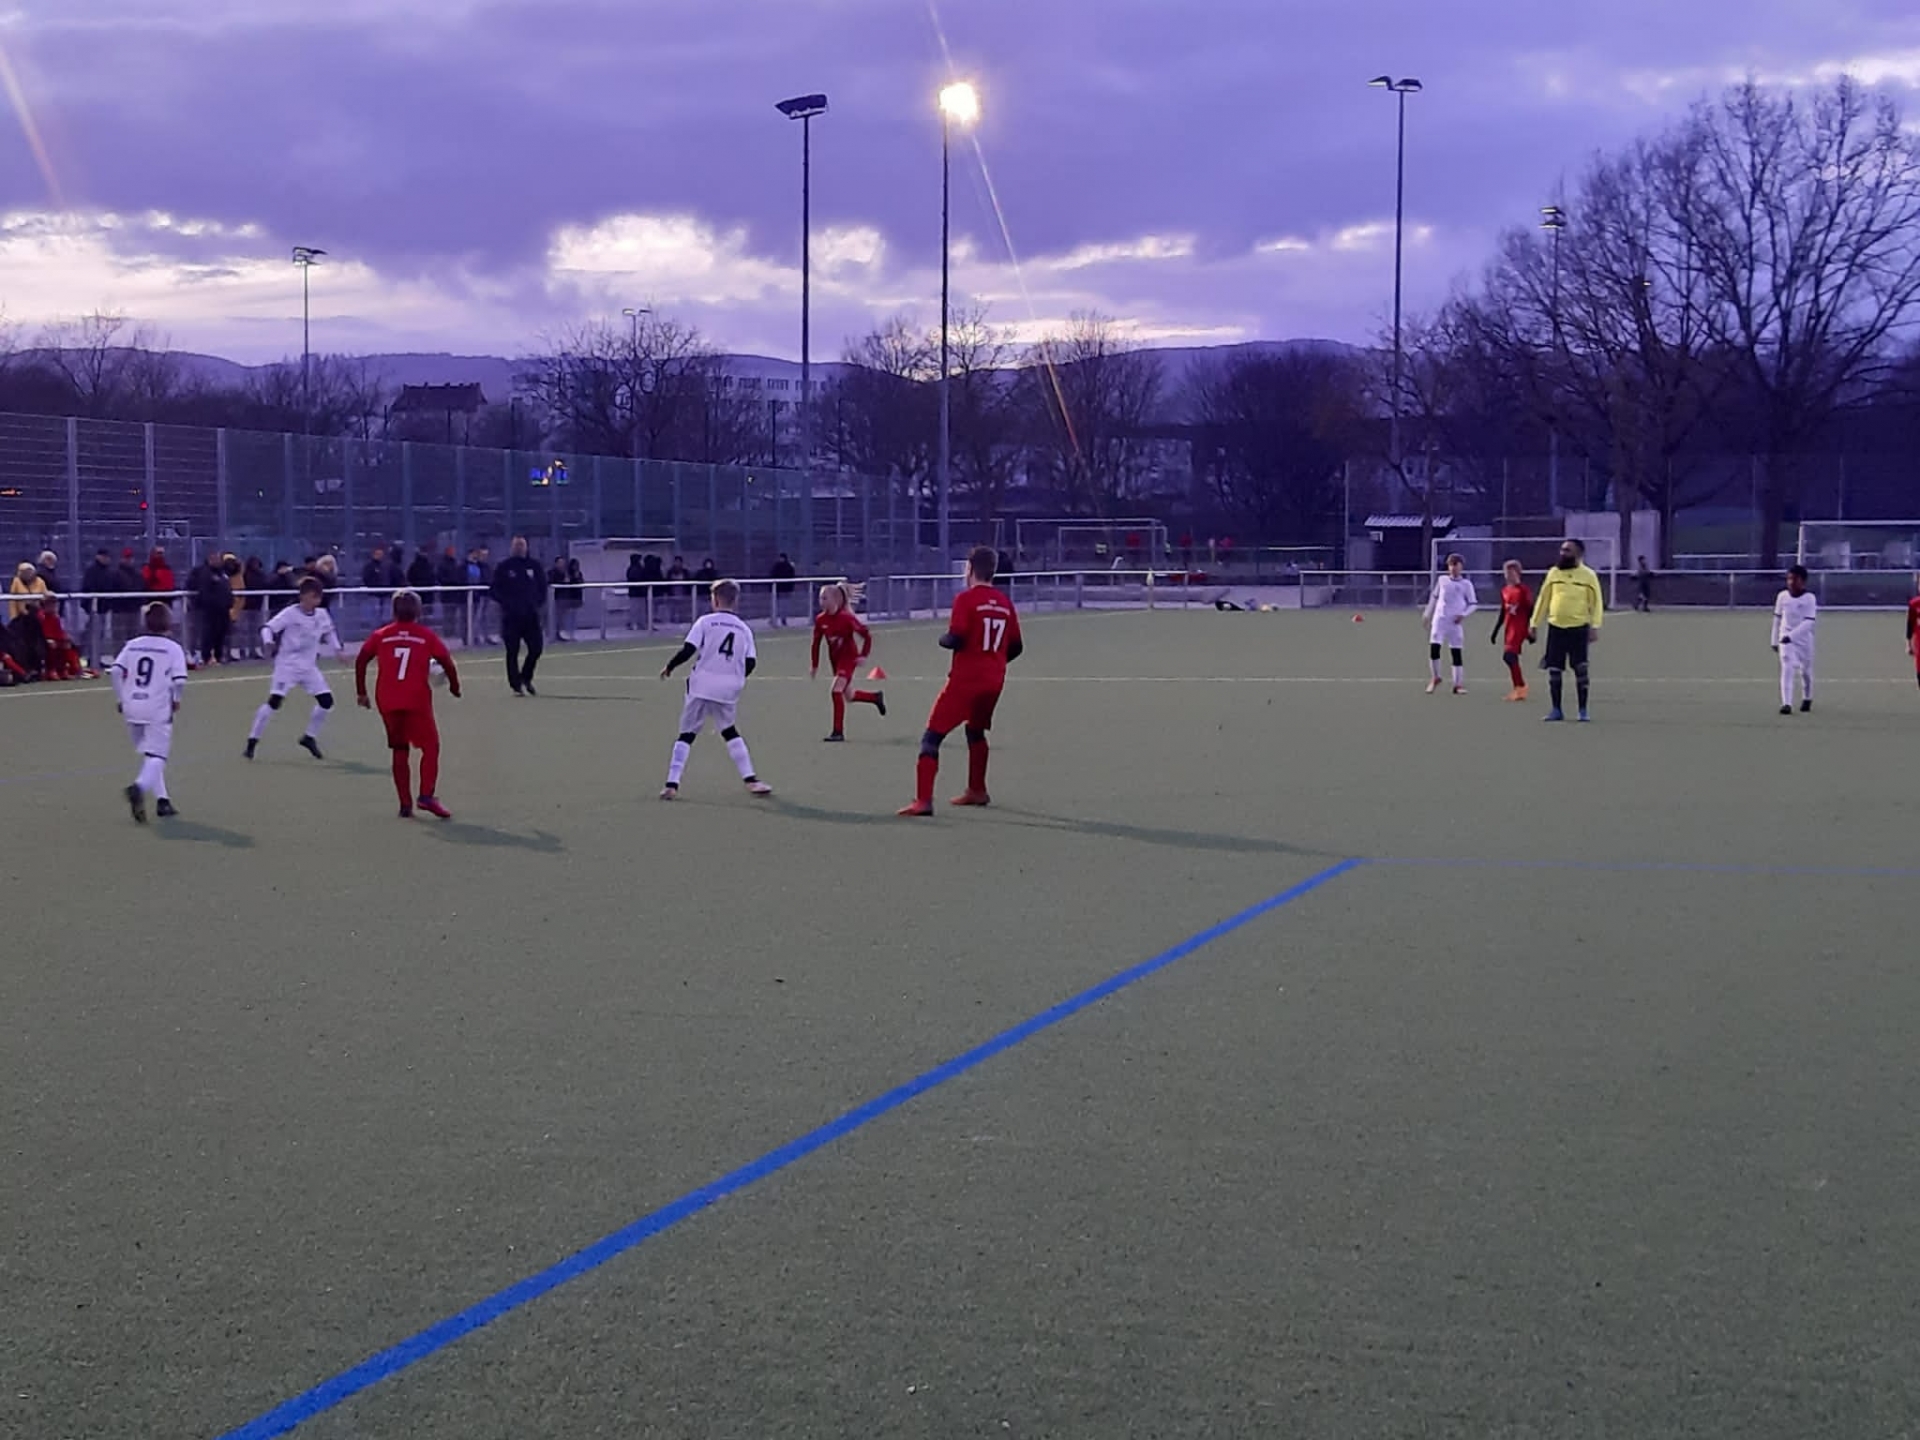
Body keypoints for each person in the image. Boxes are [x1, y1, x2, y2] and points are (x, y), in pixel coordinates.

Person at [899, 545, 1023, 816]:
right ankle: (977, 790)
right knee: (975, 731)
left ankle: (923, 801)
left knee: (931, 738)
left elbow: (956, 637)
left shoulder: (965, 599)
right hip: (994, 682)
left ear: (969, 568)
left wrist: (943, 639)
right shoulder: (1005, 603)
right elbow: (1016, 646)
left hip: (966, 681)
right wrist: (994, 661)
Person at [657, 578, 772, 800]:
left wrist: (670, 666)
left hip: (701, 685)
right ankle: (751, 780)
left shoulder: (705, 622)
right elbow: (750, 663)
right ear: (735, 601)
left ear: (715, 600)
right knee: (729, 731)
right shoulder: (744, 629)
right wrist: (735, 678)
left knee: (687, 734)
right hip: (729, 688)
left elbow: (688, 649)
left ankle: (672, 784)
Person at [355, 590, 461, 819]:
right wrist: (454, 686)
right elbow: (447, 662)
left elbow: (361, 659)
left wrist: (361, 692)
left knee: (399, 749)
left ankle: (405, 804)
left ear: (393, 612)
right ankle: (426, 796)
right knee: (431, 746)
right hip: (415, 699)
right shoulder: (426, 636)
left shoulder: (381, 635)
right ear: (419, 612)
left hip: (387, 700)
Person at [247, 576, 344, 760]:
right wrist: (268, 642)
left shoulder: (321, 614)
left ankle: (309, 737)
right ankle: (252, 741)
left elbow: (329, 632)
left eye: (319, 596)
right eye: (314, 596)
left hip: (309, 667)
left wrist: (338, 650)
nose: (317, 600)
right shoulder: (290, 613)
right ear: (304, 596)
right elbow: (267, 628)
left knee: (326, 701)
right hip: (287, 665)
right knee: (275, 702)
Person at [111, 601, 189, 823]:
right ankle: (139, 787)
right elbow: (179, 680)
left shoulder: (133, 644)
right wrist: (176, 700)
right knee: (158, 756)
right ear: (168, 623)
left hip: (131, 705)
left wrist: (120, 698)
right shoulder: (172, 648)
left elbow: (115, 671)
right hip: (157, 706)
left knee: (150, 755)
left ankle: (163, 801)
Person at [1530, 538, 1605, 723]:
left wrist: (1595, 626)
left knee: (1581, 669)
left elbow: (1596, 603)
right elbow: (1543, 599)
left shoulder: (1588, 575)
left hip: (1579, 628)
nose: (1562, 553)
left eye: (1567, 550)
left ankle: (1582, 710)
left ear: (1578, 554)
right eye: (1562, 550)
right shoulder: (1554, 573)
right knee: (1554, 670)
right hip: (1556, 628)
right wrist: (1534, 623)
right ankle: (1556, 710)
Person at [811, 581, 885, 741]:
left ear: (835, 600)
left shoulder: (846, 618)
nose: (821, 601)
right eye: (820, 598)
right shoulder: (820, 620)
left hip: (848, 659)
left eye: (825, 598)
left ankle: (838, 732)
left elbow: (866, 635)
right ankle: (875, 697)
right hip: (835, 660)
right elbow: (816, 643)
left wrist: (863, 655)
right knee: (849, 696)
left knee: (835, 690)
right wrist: (814, 665)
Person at [491, 536, 547, 694]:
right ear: (512, 547)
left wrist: (536, 604)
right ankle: (515, 684)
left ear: (526, 547)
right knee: (512, 651)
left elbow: (543, 587)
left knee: (536, 648)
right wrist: (507, 604)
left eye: (522, 545)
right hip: (511, 618)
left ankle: (526, 677)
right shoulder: (504, 567)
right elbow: (494, 590)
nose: (519, 548)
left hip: (531, 616)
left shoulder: (534, 566)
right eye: (517, 545)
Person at [1421, 553, 1477, 695]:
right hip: (1440, 620)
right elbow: (1434, 598)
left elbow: (1473, 604)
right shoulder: (1442, 580)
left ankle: (1457, 685)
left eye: (1455, 565)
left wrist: (1463, 615)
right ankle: (1435, 678)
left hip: (1454, 623)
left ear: (1461, 567)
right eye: (1451, 565)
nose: (1453, 568)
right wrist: (1427, 614)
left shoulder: (1466, 584)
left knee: (1456, 652)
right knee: (1434, 648)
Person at [1771, 564, 1817, 715]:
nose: (1791, 582)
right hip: (1785, 638)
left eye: (1795, 579)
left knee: (1806, 672)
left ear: (1803, 581)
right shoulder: (1782, 596)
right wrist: (1774, 639)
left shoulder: (1809, 598)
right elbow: (1777, 618)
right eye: (1789, 579)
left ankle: (1807, 697)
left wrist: (1791, 636)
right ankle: (1786, 703)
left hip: (1803, 640)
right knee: (1787, 667)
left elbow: (1809, 622)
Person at [1490, 559, 1535, 703]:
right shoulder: (1505, 590)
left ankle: (1520, 687)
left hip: (1519, 628)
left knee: (1509, 656)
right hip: (1509, 628)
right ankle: (1519, 688)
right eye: (1506, 573)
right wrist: (1496, 631)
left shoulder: (1523, 590)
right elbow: (1503, 612)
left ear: (1517, 573)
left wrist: (1531, 628)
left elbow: (1531, 610)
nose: (1507, 575)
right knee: (1510, 657)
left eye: (1510, 573)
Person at [191, 551, 234, 666]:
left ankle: (218, 656)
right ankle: (207, 657)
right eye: (214, 559)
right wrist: (210, 604)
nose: (217, 561)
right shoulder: (205, 574)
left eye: (218, 559)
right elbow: (204, 592)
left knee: (221, 634)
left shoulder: (223, 573)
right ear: (210, 560)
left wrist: (229, 602)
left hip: (223, 610)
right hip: (211, 610)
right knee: (209, 634)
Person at [81, 548, 117, 666]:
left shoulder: (107, 571)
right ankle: (92, 659)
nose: (107, 559)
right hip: (94, 608)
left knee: (99, 634)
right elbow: (89, 588)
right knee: (93, 634)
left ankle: (96, 658)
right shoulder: (92, 571)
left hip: (103, 607)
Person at [770, 553, 797, 625]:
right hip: (781, 589)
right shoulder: (788, 566)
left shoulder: (778, 566)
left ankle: (780, 619)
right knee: (781, 605)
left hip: (780, 589)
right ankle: (778, 619)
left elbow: (772, 575)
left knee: (781, 604)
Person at [625, 553, 648, 629]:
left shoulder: (630, 569)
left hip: (635, 593)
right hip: (638, 593)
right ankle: (638, 624)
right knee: (638, 610)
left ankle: (636, 624)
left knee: (636, 610)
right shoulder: (638, 569)